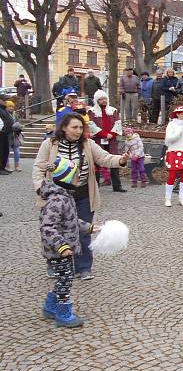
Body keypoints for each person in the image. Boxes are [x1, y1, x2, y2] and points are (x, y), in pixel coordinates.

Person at [33, 113, 129, 281]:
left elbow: (104, 158)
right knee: (57, 230)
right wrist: (41, 188)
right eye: (74, 127)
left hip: (83, 194)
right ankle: (54, 263)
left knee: (83, 231)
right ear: (64, 127)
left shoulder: (87, 144)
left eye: (80, 127)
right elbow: (39, 167)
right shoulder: (50, 144)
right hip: (56, 196)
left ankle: (83, 266)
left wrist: (121, 160)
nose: (78, 131)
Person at [38, 156, 102, 328]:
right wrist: (62, 246)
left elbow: (72, 221)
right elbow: (48, 228)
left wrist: (89, 227)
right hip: (58, 251)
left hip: (64, 249)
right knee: (65, 279)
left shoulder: (65, 197)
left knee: (63, 278)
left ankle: (50, 307)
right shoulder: (57, 200)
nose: (78, 179)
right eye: (75, 176)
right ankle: (63, 314)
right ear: (66, 179)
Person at [87, 90, 126, 193]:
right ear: (96, 100)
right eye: (100, 99)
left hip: (111, 140)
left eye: (104, 98)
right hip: (98, 140)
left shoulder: (113, 110)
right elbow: (91, 125)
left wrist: (111, 134)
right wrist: (104, 134)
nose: (103, 101)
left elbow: (118, 123)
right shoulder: (92, 111)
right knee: (97, 162)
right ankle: (95, 186)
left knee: (115, 160)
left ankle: (117, 186)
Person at [163, 106, 183, 207]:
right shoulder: (171, 124)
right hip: (174, 151)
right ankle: (168, 199)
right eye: (181, 113)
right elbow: (167, 141)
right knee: (172, 175)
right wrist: (178, 134)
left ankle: (182, 198)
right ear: (177, 114)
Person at [4, 101, 22, 172]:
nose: (11, 108)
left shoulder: (15, 115)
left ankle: (17, 165)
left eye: (12, 106)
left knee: (17, 151)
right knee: (6, 151)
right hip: (7, 135)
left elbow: (19, 122)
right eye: (9, 106)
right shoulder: (4, 115)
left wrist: (19, 127)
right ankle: (7, 165)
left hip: (15, 135)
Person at [0, 94, 14, 174]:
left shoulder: (4, 109)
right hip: (1, 132)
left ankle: (3, 167)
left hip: (6, 133)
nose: (5, 101)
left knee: (5, 151)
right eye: (4, 99)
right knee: (1, 151)